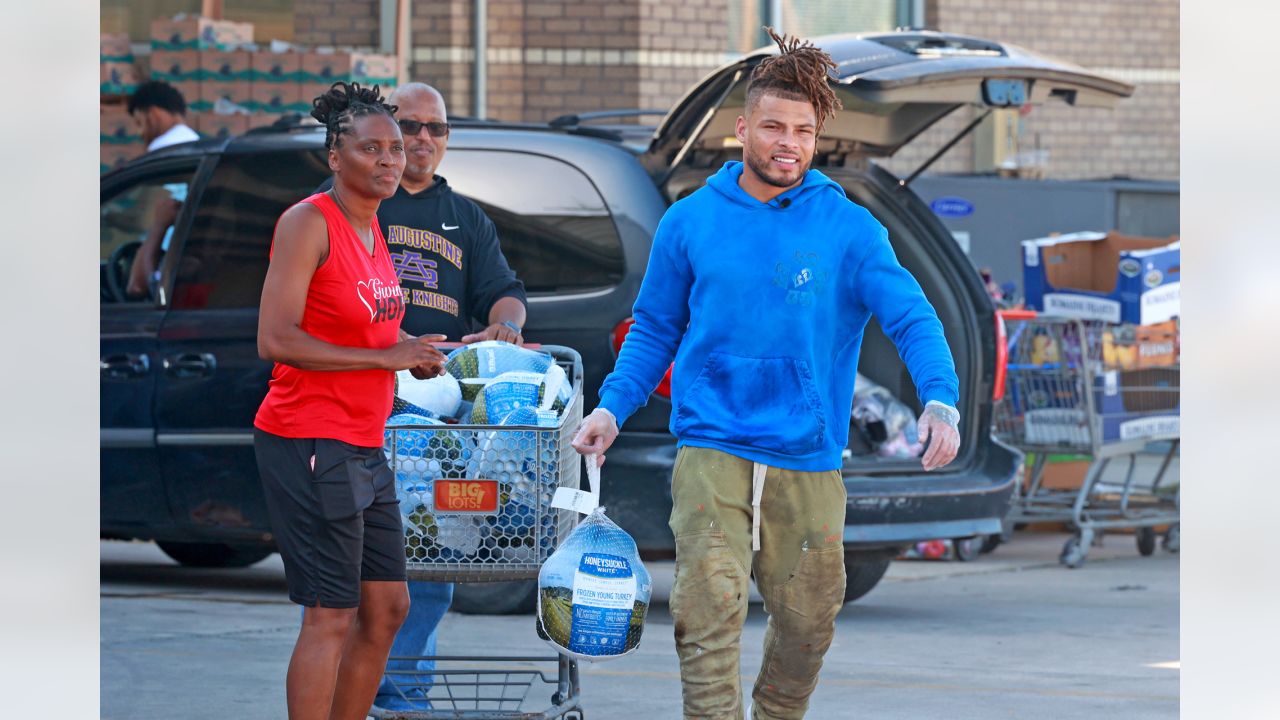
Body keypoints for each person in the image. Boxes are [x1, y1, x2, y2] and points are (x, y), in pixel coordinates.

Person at [571, 29, 963, 720]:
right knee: (707, 609)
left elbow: (913, 317)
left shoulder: (849, 229)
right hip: (712, 444)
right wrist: (610, 408)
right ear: (742, 128)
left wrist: (941, 400)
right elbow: (654, 329)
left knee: (808, 624)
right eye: (775, 126)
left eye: (804, 131)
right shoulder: (689, 222)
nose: (789, 142)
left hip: (807, 455)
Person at [315, 82, 528, 712]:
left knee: (431, 548)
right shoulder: (357, 208)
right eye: (410, 127)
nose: (422, 141)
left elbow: (504, 289)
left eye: (436, 129)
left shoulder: (465, 217)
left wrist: (507, 323)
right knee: (364, 566)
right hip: (364, 399)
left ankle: (400, 693)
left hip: (433, 401)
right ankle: (362, 690)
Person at [253, 81, 448, 720]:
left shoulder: (373, 229)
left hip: (364, 441)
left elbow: (365, 325)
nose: (391, 160)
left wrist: (411, 348)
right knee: (331, 611)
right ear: (335, 157)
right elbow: (276, 338)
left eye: (396, 149)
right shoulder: (309, 222)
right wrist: (384, 357)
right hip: (310, 437)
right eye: (373, 149)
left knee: (389, 607)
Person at [124, 80, 200, 298]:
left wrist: (110, 218)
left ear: (153, 114)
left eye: (139, 123)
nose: (140, 133)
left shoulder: (164, 153)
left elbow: (144, 219)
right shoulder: (195, 145)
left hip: (163, 264)